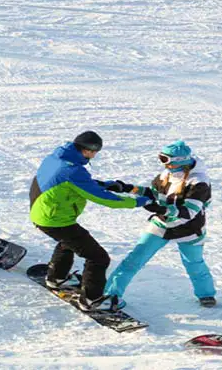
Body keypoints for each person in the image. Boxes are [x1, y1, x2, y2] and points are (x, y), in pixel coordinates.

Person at [29, 130, 154, 312]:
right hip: (54, 219)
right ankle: (92, 300)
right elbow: (106, 199)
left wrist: (105, 184)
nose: (95, 156)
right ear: (88, 150)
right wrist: (140, 201)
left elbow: (73, 182)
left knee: (68, 242)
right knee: (98, 257)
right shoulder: (73, 170)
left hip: (42, 213)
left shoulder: (57, 158)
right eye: (95, 152)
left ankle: (57, 277)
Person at [103, 140, 217, 307]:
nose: (163, 163)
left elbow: (188, 212)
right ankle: (111, 295)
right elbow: (153, 193)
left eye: (165, 159)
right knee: (134, 260)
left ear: (179, 161)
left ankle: (206, 294)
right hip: (162, 225)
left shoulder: (199, 182)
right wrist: (127, 188)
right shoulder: (167, 174)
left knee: (194, 264)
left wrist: (158, 208)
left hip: (188, 229)